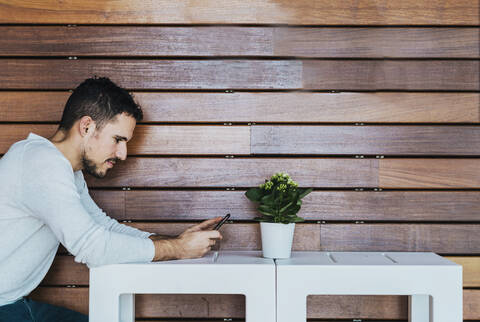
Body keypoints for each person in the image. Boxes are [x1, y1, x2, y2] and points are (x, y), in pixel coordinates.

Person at [0, 77, 223, 321]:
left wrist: (178, 241)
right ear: (86, 127)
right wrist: (178, 249)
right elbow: (92, 247)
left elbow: (103, 228)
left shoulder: (64, 169)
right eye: (118, 139)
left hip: (13, 304)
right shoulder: (41, 163)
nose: (123, 154)